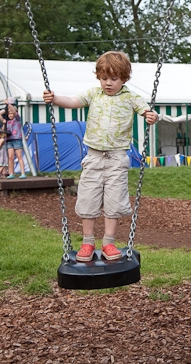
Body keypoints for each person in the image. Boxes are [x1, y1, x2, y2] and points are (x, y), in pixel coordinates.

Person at [42, 51, 159, 262]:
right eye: (104, 78)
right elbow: (73, 101)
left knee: (114, 201)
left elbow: (147, 112)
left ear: (124, 78)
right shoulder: (94, 94)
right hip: (94, 156)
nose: (108, 83)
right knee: (88, 198)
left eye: (114, 79)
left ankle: (108, 243)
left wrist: (152, 115)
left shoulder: (131, 98)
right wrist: (55, 98)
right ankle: (87, 242)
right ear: (99, 77)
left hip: (117, 158)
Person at [0, 104, 26, 179]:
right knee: (10, 157)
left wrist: (9, 104)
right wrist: (3, 123)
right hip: (9, 140)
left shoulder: (17, 119)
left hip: (17, 139)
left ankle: (23, 172)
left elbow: (15, 112)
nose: (10, 115)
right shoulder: (7, 122)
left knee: (19, 156)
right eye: (9, 114)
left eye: (11, 113)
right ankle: (11, 173)